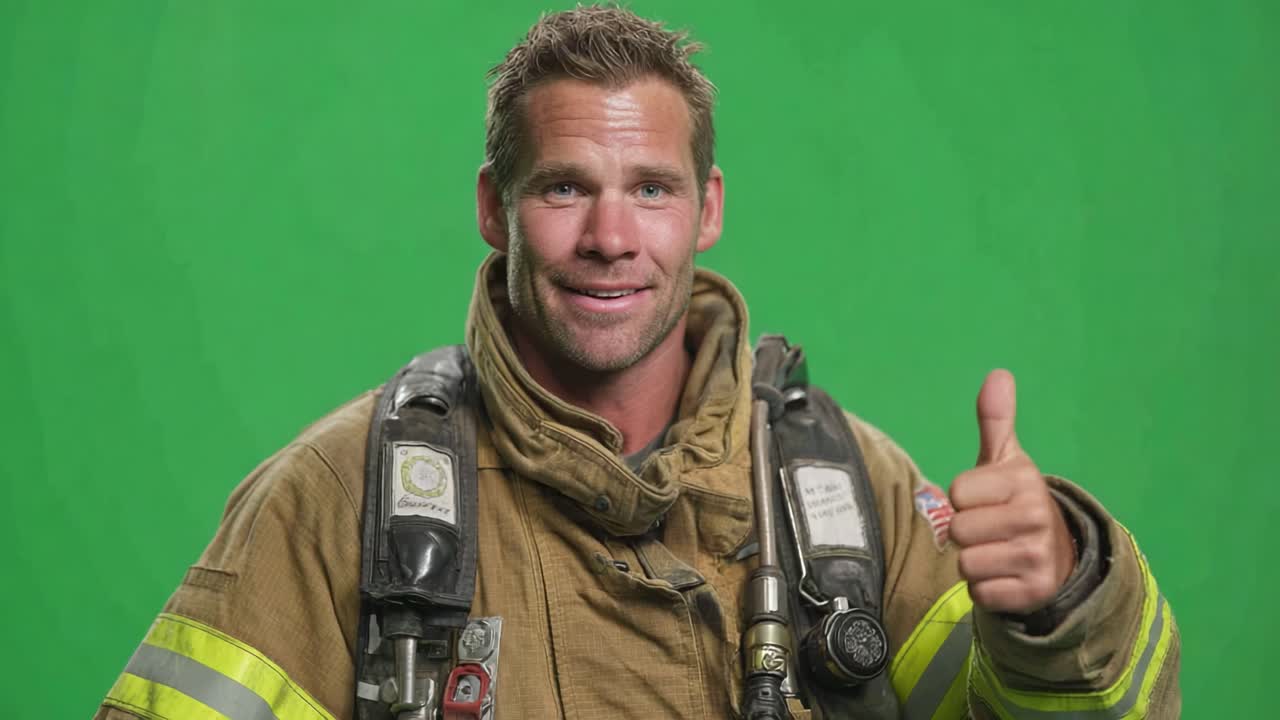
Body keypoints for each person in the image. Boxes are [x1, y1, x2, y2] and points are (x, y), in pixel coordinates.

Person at [95, 6, 1180, 719]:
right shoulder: (342, 500)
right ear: (493, 208)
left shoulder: (845, 497)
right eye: (564, 186)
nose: (611, 236)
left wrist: (1059, 600)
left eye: (650, 188)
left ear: (704, 210)